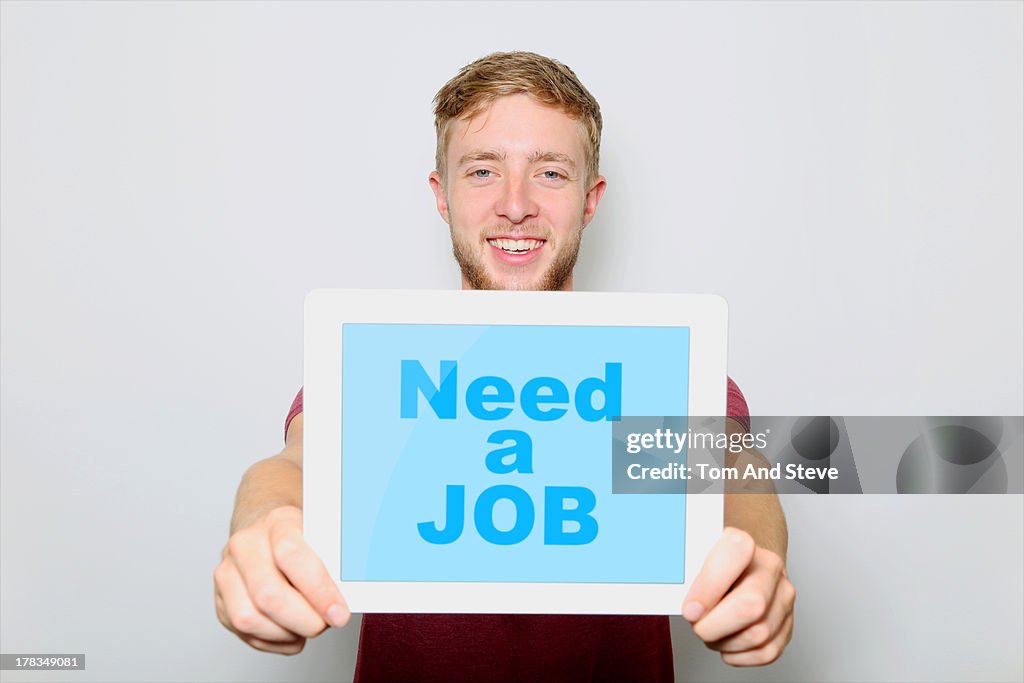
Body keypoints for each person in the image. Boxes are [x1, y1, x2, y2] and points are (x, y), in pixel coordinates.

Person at [214, 51, 795, 682]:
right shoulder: (376, 363)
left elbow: (736, 473)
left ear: (590, 198)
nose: (514, 205)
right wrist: (264, 520)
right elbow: (298, 464)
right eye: (483, 171)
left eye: (549, 172)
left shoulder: (661, 366)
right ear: (441, 195)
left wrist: (755, 556)